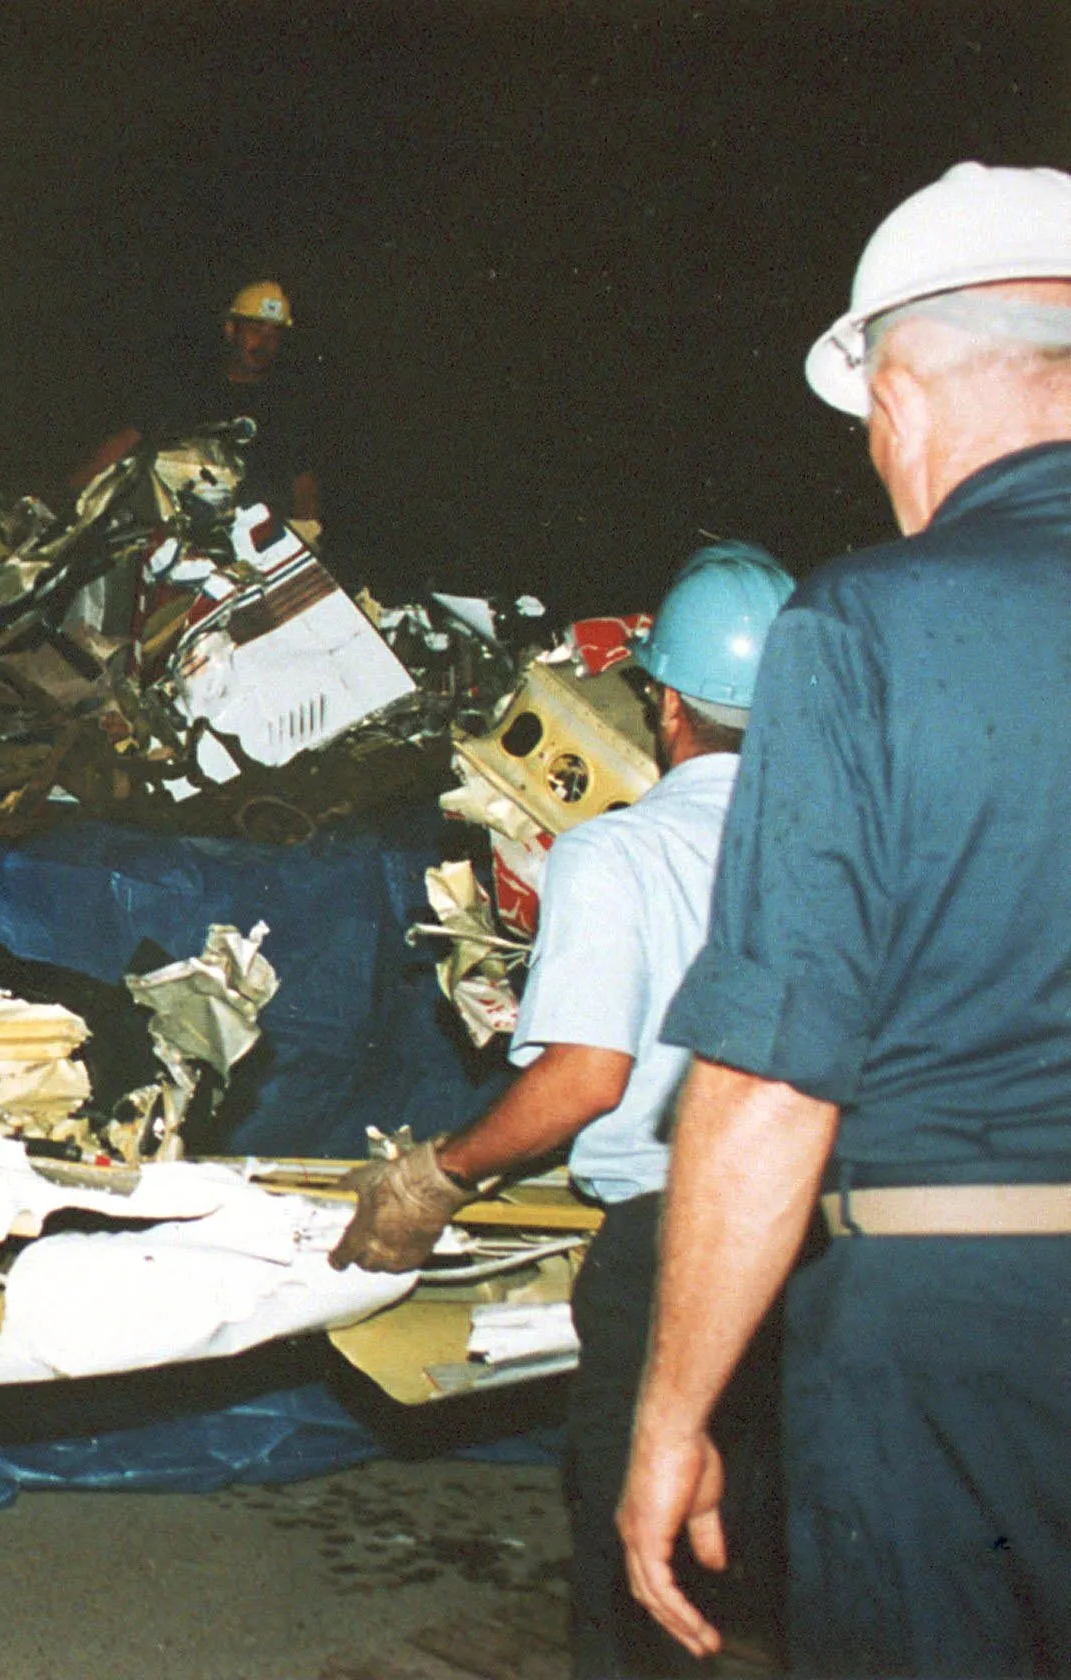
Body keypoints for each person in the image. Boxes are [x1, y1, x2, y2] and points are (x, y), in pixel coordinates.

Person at [618, 162, 1071, 1677]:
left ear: (897, 399)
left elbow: (767, 1082)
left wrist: (674, 1413)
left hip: (956, 1346)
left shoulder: (868, 624)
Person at [331, 542, 794, 1677]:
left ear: (666, 704)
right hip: (828, 1254)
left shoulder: (619, 853)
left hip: (679, 1254)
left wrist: (439, 1173)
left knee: (642, 1590)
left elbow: (588, 1077)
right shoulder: (846, 846)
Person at [216, 279, 322, 539]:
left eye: (274, 335)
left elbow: (303, 483)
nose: (264, 342)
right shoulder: (194, 389)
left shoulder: (286, 404)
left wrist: (307, 534)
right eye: (255, 329)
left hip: (258, 542)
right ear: (231, 330)